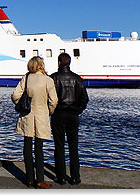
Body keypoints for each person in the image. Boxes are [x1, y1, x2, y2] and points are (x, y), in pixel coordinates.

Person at [12, 56, 58, 189]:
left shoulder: (26, 79)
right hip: (41, 116)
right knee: (39, 148)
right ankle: (40, 180)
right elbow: (54, 100)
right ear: (41, 65)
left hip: (27, 116)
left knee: (27, 147)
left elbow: (15, 95)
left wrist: (20, 105)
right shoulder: (48, 80)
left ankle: (29, 179)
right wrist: (49, 111)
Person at [50, 52, 89, 185]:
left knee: (59, 146)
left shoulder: (53, 78)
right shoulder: (77, 79)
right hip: (73, 116)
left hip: (58, 115)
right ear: (70, 63)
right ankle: (75, 177)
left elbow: (49, 98)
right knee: (73, 147)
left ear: (59, 62)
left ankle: (60, 177)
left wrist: (52, 111)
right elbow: (85, 99)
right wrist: (77, 110)